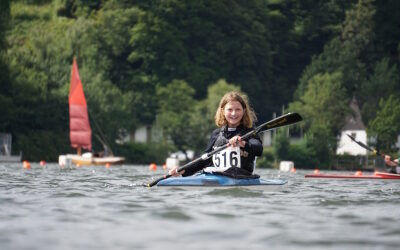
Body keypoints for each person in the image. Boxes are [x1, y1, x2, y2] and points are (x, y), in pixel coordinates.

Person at [169, 91, 263, 178]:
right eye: (230, 109)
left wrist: (243, 144)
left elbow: (258, 149)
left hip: (243, 177)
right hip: (217, 177)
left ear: (244, 110)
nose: (234, 113)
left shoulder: (250, 132)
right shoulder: (216, 134)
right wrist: (183, 170)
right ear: (223, 111)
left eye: (238, 109)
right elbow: (205, 160)